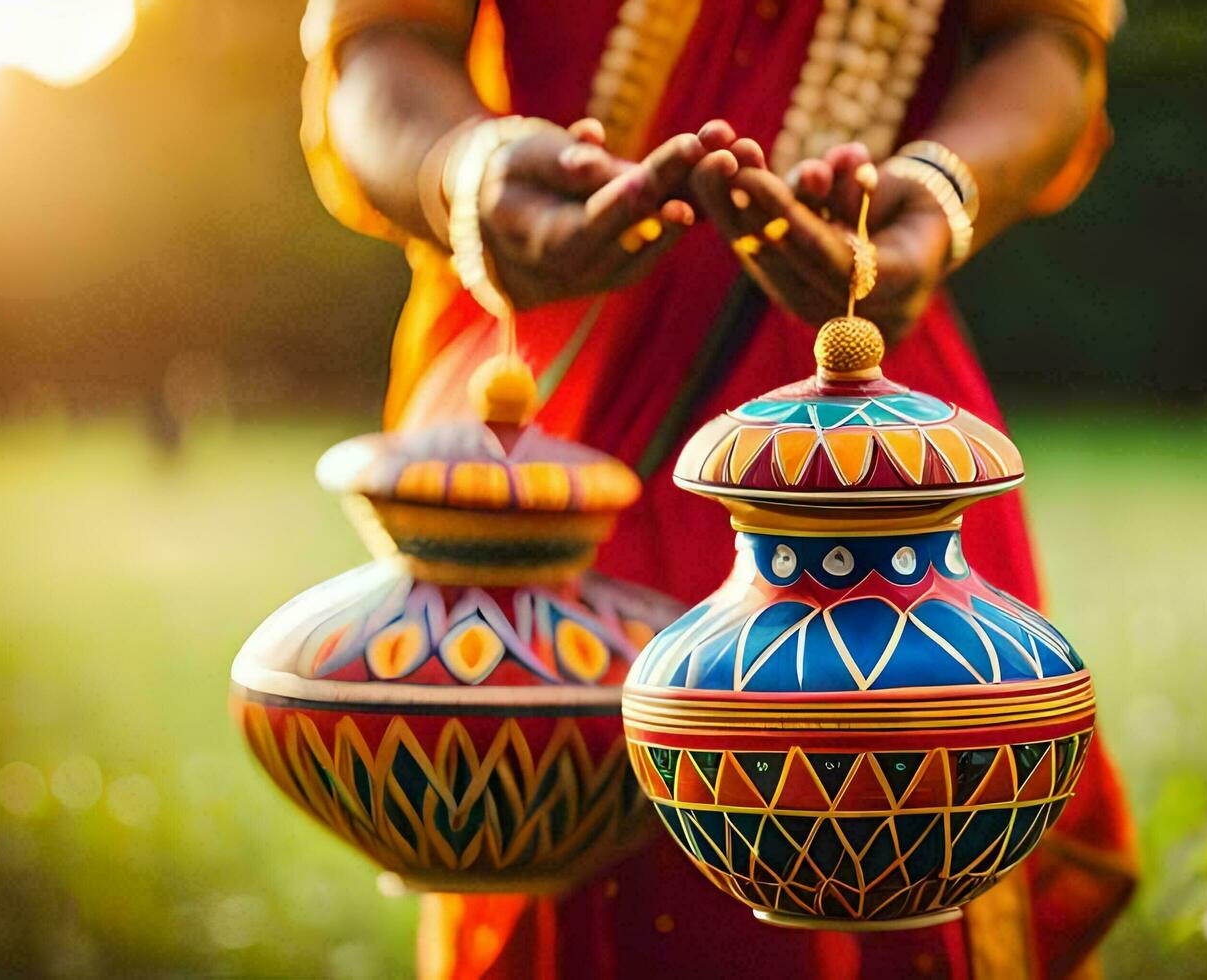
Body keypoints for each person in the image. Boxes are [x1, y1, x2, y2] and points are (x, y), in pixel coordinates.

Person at [300, 0, 1136, 976]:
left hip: (870, 440)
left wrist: (940, 196)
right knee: (554, 856)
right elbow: (381, 43)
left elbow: (1046, 39)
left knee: (906, 830)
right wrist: (469, 174)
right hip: (558, 418)